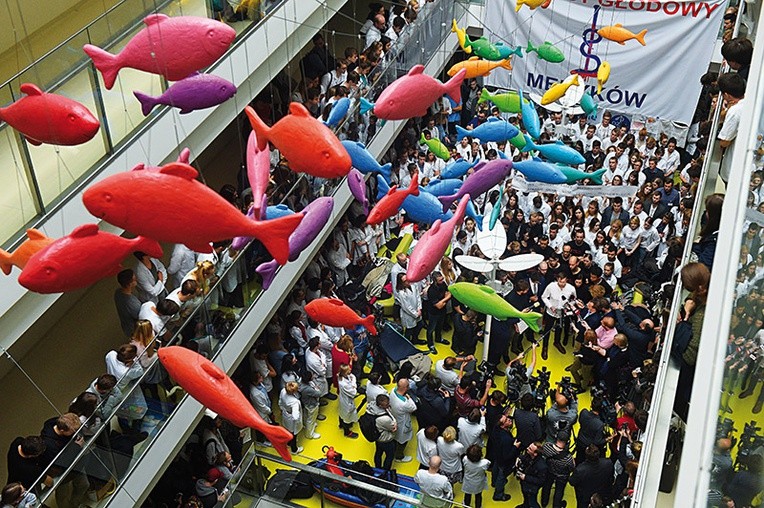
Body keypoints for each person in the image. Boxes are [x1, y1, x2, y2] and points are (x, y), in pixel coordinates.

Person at [717, 72, 747, 184]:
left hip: (734, 166)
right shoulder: (750, 102)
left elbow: (724, 141)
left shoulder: (735, 111)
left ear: (727, 95)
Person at [541, 272, 577, 359]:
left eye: (564, 282)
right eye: (560, 282)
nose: (562, 284)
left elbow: (574, 300)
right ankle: (545, 347)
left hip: (562, 313)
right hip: (551, 312)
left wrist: (567, 307)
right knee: (547, 330)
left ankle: (557, 342)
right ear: (557, 280)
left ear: (566, 280)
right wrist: (550, 306)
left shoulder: (571, 289)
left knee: (559, 328)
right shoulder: (551, 286)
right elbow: (544, 297)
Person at [487, 413, 520, 502]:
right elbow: (507, 456)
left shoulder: (495, 429)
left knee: (496, 467)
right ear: (502, 425)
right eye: (506, 420)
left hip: (497, 454)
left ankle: (494, 482)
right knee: (502, 475)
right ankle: (498, 494)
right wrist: (515, 447)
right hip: (504, 459)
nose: (509, 420)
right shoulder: (506, 439)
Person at [540, 433, 574, 508]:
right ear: (567, 442)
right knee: (559, 491)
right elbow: (571, 468)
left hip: (549, 471)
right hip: (562, 476)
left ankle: (544, 502)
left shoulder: (547, 446)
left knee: (546, 486)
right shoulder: (568, 458)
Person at [389, 378, 418, 463]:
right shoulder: (404, 403)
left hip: (394, 418)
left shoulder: (393, 391)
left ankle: (395, 449)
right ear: (406, 388)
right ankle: (399, 457)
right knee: (402, 441)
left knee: (395, 437)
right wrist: (408, 398)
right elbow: (414, 407)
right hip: (403, 422)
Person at [516, 441, 548, 508]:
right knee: (526, 498)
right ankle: (525, 505)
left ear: (535, 454)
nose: (527, 448)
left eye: (530, 448)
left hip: (532, 488)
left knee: (533, 502)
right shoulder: (528, 455)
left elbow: (541, 481)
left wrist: (525, 477)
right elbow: (523, 457)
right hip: (525, 484)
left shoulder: (542, 466)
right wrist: (519, 458)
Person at [114, 269, 141, 338]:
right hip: (137, 331)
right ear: (129, 284)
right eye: (134, 279)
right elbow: (141, 316)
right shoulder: (131, 303)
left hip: (127, 328)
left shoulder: (118, 293)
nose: (136, 280)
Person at [374, 394, 398, 470]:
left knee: (378, 452)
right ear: (380, 406)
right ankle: (385, 470)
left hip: (377, 436)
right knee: (389, 456)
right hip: (385, 440)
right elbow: (393, 428)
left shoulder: (373, 408)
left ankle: (377, 467)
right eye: (387, 404)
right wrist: (395, 425)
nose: (389, 405)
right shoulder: (384, 419)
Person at [278, 381, 303, 454]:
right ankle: (294, 449)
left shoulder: (283, 391)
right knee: (293, 434)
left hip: (285, 413)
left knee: (288, 430)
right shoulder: (294, 402)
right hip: (291, 418)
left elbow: (280, 402)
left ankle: (288, 442)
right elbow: (295, 417)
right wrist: (298, 416)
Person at [337, 364, 359, 438]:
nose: (350, 370)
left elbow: (352, 376)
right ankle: (347, 432)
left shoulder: (341, 376)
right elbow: (353, 392)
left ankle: (341, 424)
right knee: (347, 416)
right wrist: (354, 384)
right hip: (347, 401)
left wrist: (352, 382)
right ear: (345, 372)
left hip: (343, 399)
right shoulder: (344, 384)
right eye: (348, 370)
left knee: (342, 413)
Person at [298, 371, 322, 440]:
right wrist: (316, 388)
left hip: (306, 403)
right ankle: (310, 434)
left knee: (306, 416)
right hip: (312, 405)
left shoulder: (301, 383)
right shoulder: (308, 389)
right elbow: (318, 393)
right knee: (311, 419)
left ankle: (306, 425)